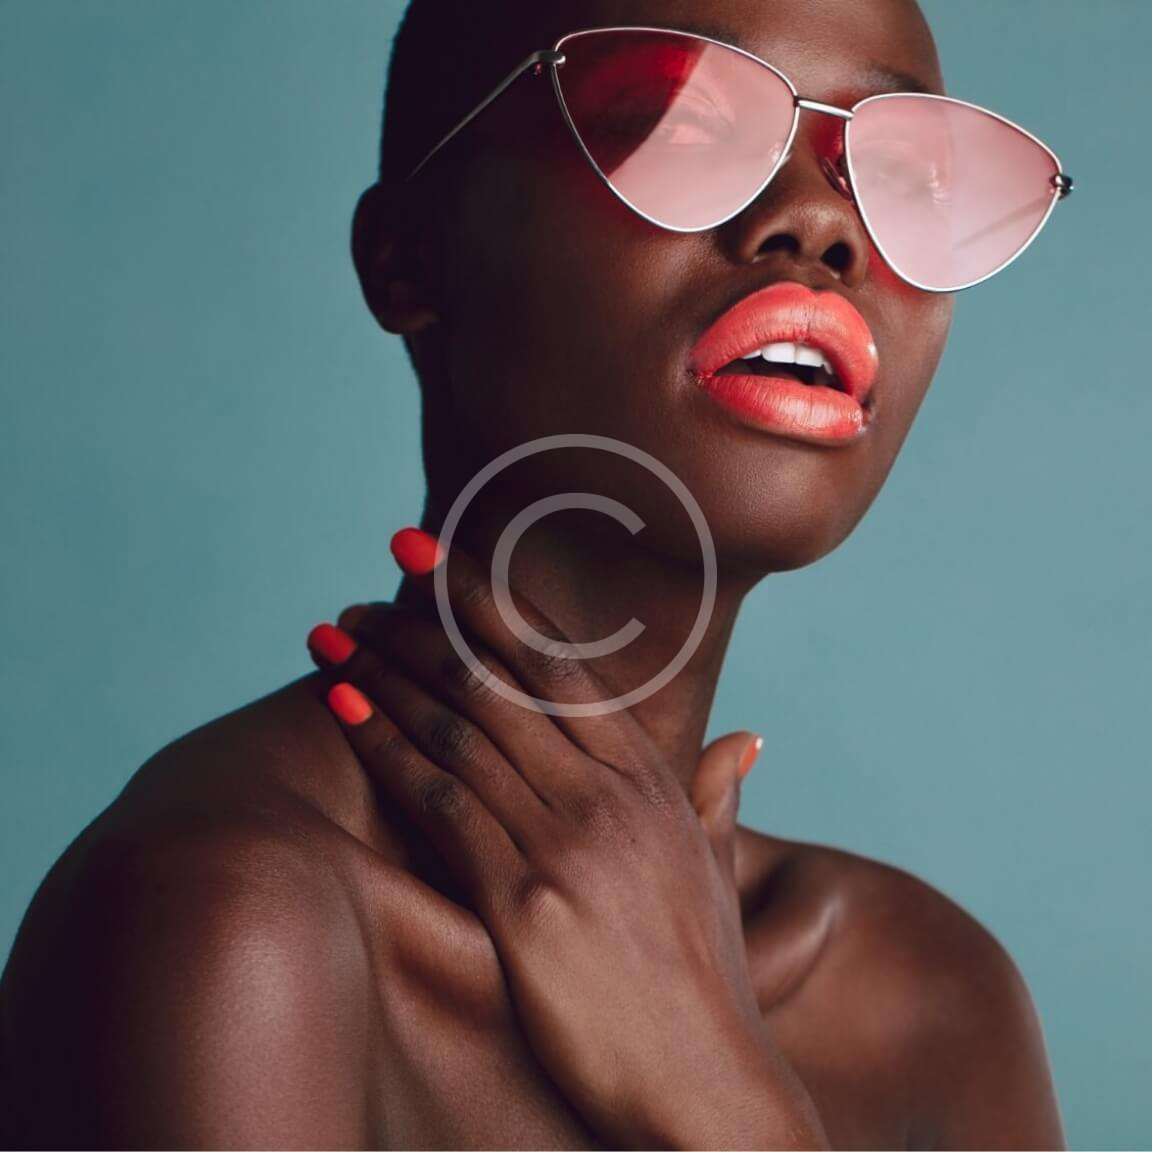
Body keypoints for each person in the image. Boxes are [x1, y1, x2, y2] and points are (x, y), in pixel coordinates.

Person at [0, 0, 1070, 1146]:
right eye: (683, 126)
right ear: (409, 257)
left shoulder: (931, 1003)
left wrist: (728, 1102)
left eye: (905, 172)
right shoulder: (230, 921)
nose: (821, 220)